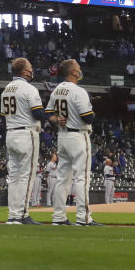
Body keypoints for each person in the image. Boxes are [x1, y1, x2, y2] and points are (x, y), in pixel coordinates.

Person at [46, 59, 100, 226]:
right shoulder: (79, 91)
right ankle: (83, 218)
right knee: (81, 178)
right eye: (77, 68)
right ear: (73, 72)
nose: (80, 70)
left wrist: (57, 119)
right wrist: (92, 110)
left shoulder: (56, 91)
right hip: (78, 135)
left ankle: (58, 217)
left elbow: (48, 114)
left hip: (62, 136)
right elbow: (88, 117)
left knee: (63, 178)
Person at [1, 57, 44, 225]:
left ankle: (13, 215)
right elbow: (38, 113)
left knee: (14, 177)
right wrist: (52, 115)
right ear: (24, 71)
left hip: (10, 133)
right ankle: (23, 214)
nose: (32, 70)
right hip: (27, 133)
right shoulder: (29, 88)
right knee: (26, 176)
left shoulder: (6, 89)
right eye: (30, 67)